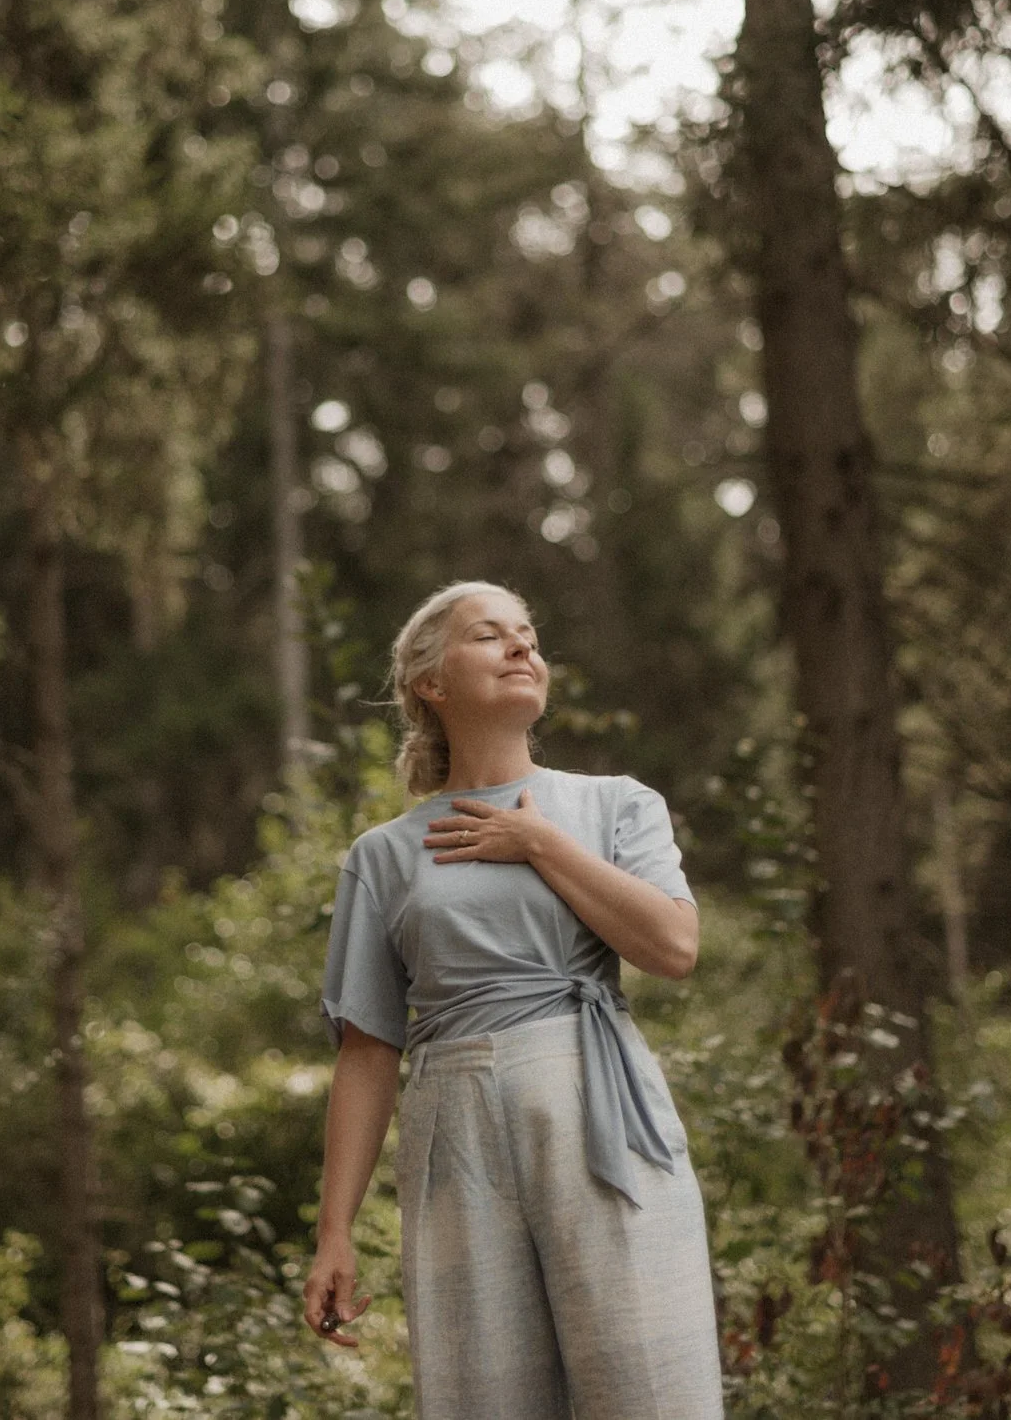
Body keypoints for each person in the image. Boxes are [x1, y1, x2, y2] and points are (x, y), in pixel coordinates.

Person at [304, 580, 725, 1419]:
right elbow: (366, 1049)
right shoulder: (383, 856)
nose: (522, 648)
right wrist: (335, 1231)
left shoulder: (614, 805)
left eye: (528, 636)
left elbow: (673, 946)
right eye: (490, 635)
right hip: (452, 1126)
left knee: (650, 1389)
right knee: (481, 1395)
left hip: (597, 1099)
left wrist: (537, 842)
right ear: (431, 682)